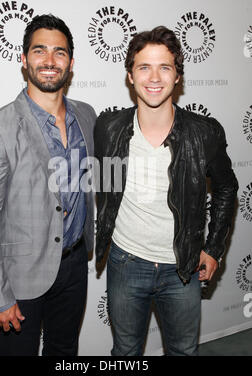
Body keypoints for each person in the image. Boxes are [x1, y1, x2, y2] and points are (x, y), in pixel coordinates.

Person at [94, 26, 238, 356]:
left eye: (165, 67)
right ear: (130, 75)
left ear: (178, 77)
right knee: (125, 353)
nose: (154, 77)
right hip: (125, 263)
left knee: (183, 352)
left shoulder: (205, 133)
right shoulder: (109, 128)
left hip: (181, 269)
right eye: (144, 67)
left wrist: (214, 248)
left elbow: (227, 187)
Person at [0, 14, 96, 356]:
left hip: (72, 265)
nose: (50, 61)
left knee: (64, 350)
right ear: (24, 60)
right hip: (19, 276)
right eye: (40, 51)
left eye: (60, 52)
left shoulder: (86, 115)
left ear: (71, 62)